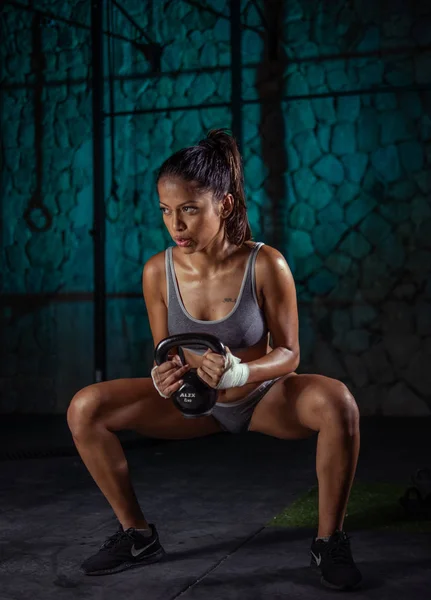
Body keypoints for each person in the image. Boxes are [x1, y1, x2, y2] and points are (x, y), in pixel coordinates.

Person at [67, 129, 362, 590]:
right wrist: (164, 378)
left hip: (262, 397)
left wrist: (241, 371)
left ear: (223, 205)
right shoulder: (156, 272)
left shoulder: (266, 264)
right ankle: (137, 535)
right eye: (166, 211)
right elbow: (165, 351)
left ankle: (329, 541)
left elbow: (289, 353)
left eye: (188, 209)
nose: (175, 225)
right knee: (86, 407)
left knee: (338, 403)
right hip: (196, 405)